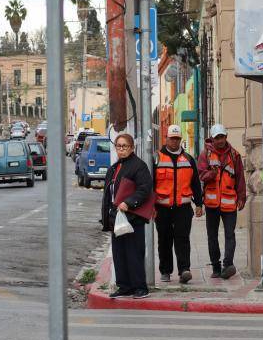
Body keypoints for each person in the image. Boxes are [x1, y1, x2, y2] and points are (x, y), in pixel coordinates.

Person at [101, 132, 153, 299]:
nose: (121, 149)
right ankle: (124, 286)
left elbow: (144, 189)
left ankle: (140, 287)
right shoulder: (115, 167)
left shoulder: (139, 166)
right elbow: (109, 192)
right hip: (116, 217)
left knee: (134, 253)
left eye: (125, 146)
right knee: (119, 253)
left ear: (132, 148)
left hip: (132, 217)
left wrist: (129, 203)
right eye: (118, 146)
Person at [154, 124, 203, 284]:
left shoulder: (188, 159)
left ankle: (184, 270)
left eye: (177, 139)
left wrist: (199, 204)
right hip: (162, 208)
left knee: (182, 239)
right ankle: (165, 271)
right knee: (164, 240)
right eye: (172, 138)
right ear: (166, 138)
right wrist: (151, 206)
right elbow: (151, 184)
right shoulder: (157, 158)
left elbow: (195, 183)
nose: (174, 141)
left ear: (180, 139)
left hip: (183, 208)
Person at [198, 124, 246, 280]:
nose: (220, 140)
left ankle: (228, 265)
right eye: (217, 138)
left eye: (222, 137)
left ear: (226, 137)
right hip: (212, 204)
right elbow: (201, 175)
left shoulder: (235, 155)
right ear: (212, 139)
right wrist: (211, 174)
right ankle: (216, 267)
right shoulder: (205, 154)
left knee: (230, 235)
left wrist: (242, 197)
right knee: (212, 236)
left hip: (229, 202)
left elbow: (240, 178)